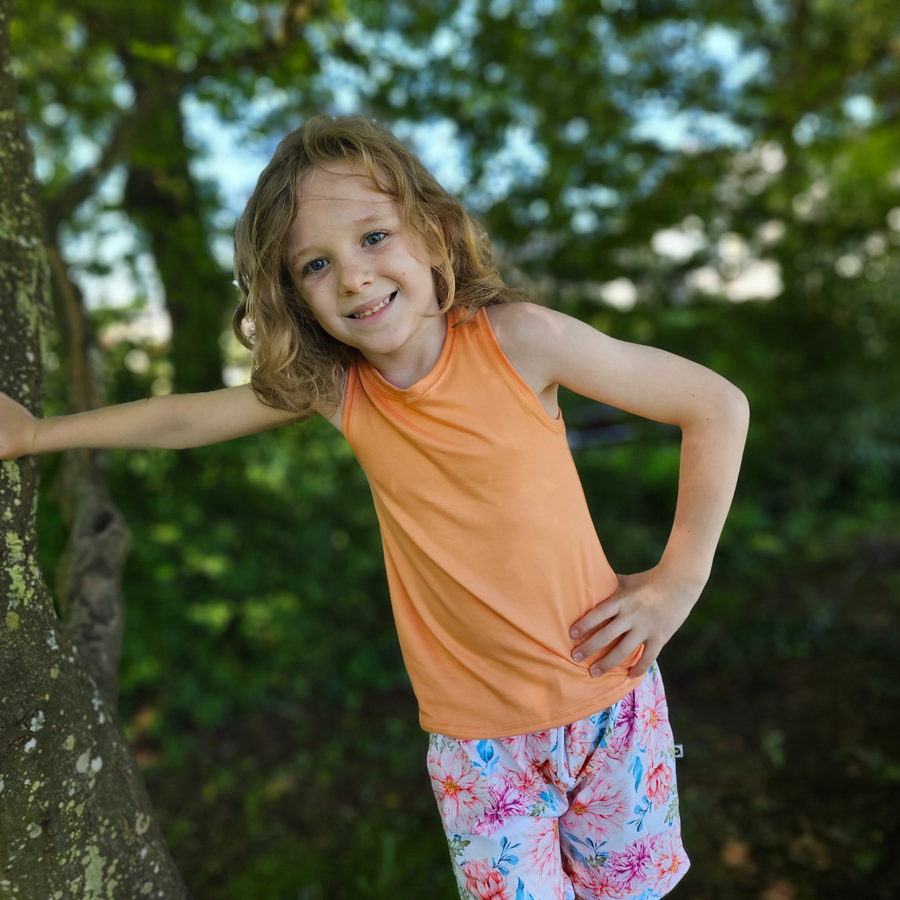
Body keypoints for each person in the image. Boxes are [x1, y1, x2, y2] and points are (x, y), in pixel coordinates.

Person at [0, 114, 749, 900]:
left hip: (610, 707)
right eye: (315, 263)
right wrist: (36, 432)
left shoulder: (522, 341)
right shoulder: (340, 390)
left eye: (373, 238)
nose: (353, 277)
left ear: (433, 235)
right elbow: (186, 417)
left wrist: (677, 581)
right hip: (478, 749)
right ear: (295, 296)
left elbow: (715, 406)